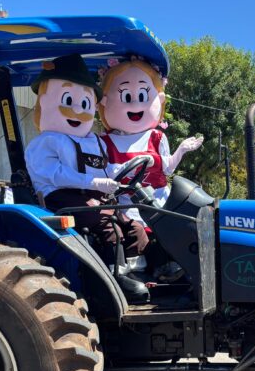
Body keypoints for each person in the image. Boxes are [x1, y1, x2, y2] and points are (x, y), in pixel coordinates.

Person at [24, 55, 150, 303]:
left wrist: (126, 167)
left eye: (84, 103)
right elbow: (54, 175)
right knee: (108, 225)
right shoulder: (46, 142)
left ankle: (141, 274)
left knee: (134, 224)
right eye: (69, 100)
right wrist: (92, 184)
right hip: (60, 199)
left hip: (94, 198)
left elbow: (105, 169)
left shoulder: (92, 142)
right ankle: (113, 281)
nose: (77, 110)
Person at [97, 58, 203, 224]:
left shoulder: (156, 137)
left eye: (142, 95)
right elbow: (102, 173)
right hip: (124, 208)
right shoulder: (104, 142)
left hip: (159, 202)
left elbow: (167, 169)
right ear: (104, 101)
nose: (135, 104)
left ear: (159, 98)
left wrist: (181, 150)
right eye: (126, 96)